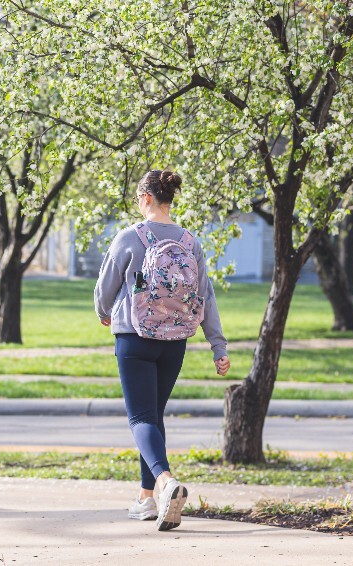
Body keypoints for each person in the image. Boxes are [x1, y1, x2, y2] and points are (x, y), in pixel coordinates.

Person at [94, 170, 230, 531]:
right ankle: (146, 498)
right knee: (154, 416)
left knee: (140, 418)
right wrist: (218, 345)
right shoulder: (190, 241)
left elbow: (105, 287)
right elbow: (205, 295)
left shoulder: (129, 237)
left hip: (135, 337)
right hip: (175, 341)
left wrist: (104, 312)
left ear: (146, 197)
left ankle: (166, 482)